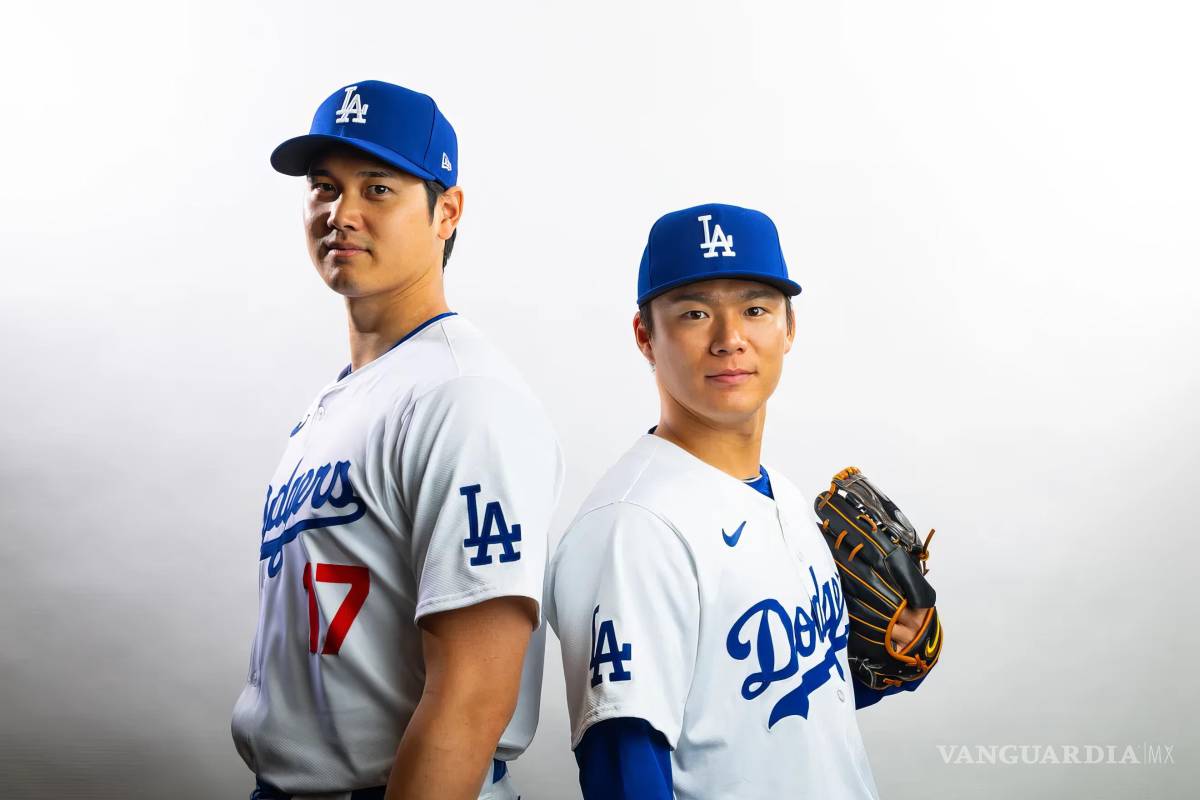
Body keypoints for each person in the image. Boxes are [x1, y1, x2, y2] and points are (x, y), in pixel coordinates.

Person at [230, 80, 563, 800]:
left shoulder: (462, 395)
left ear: (447, 211)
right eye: (324, 187)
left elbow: (472, 699)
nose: (340, 214)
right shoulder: (339, 400)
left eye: (377, 189)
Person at [546, 203, 932, 799]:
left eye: (755, 310)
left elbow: (755, 713)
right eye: (696, 313)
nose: (730, 340)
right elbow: (623, 769)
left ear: (790, 328)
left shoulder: (787, 496)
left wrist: (882, 663)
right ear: (645, 336)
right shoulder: (633, 530)